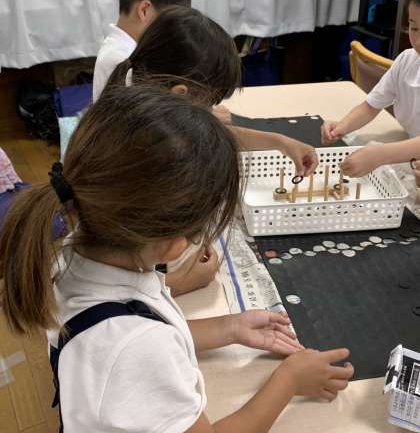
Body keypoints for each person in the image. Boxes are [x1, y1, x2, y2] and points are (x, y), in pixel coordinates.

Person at [0, 86, 353, 433]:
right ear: (174, 245)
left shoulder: (75, 249)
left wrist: (229, 328)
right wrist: (289, 379)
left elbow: (132, 325)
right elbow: (138, 346)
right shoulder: (137, 348)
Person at [107, 5, 319, 177]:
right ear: (180, 94)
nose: (211, 111)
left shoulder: (146, 104)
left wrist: (281, 142)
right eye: (209, 103)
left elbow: (213, 133)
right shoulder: (154, 148)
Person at [323, 0, 420, 168]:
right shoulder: (407, 61)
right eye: (414, 28)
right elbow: (370, 106)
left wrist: (381, 154)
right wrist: (341, 127)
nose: (417, 41)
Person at [93, 0, 191, 102]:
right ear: (145, 10)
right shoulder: (122, 60)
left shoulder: (123, 48)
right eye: (171, 20)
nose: (173, 29)